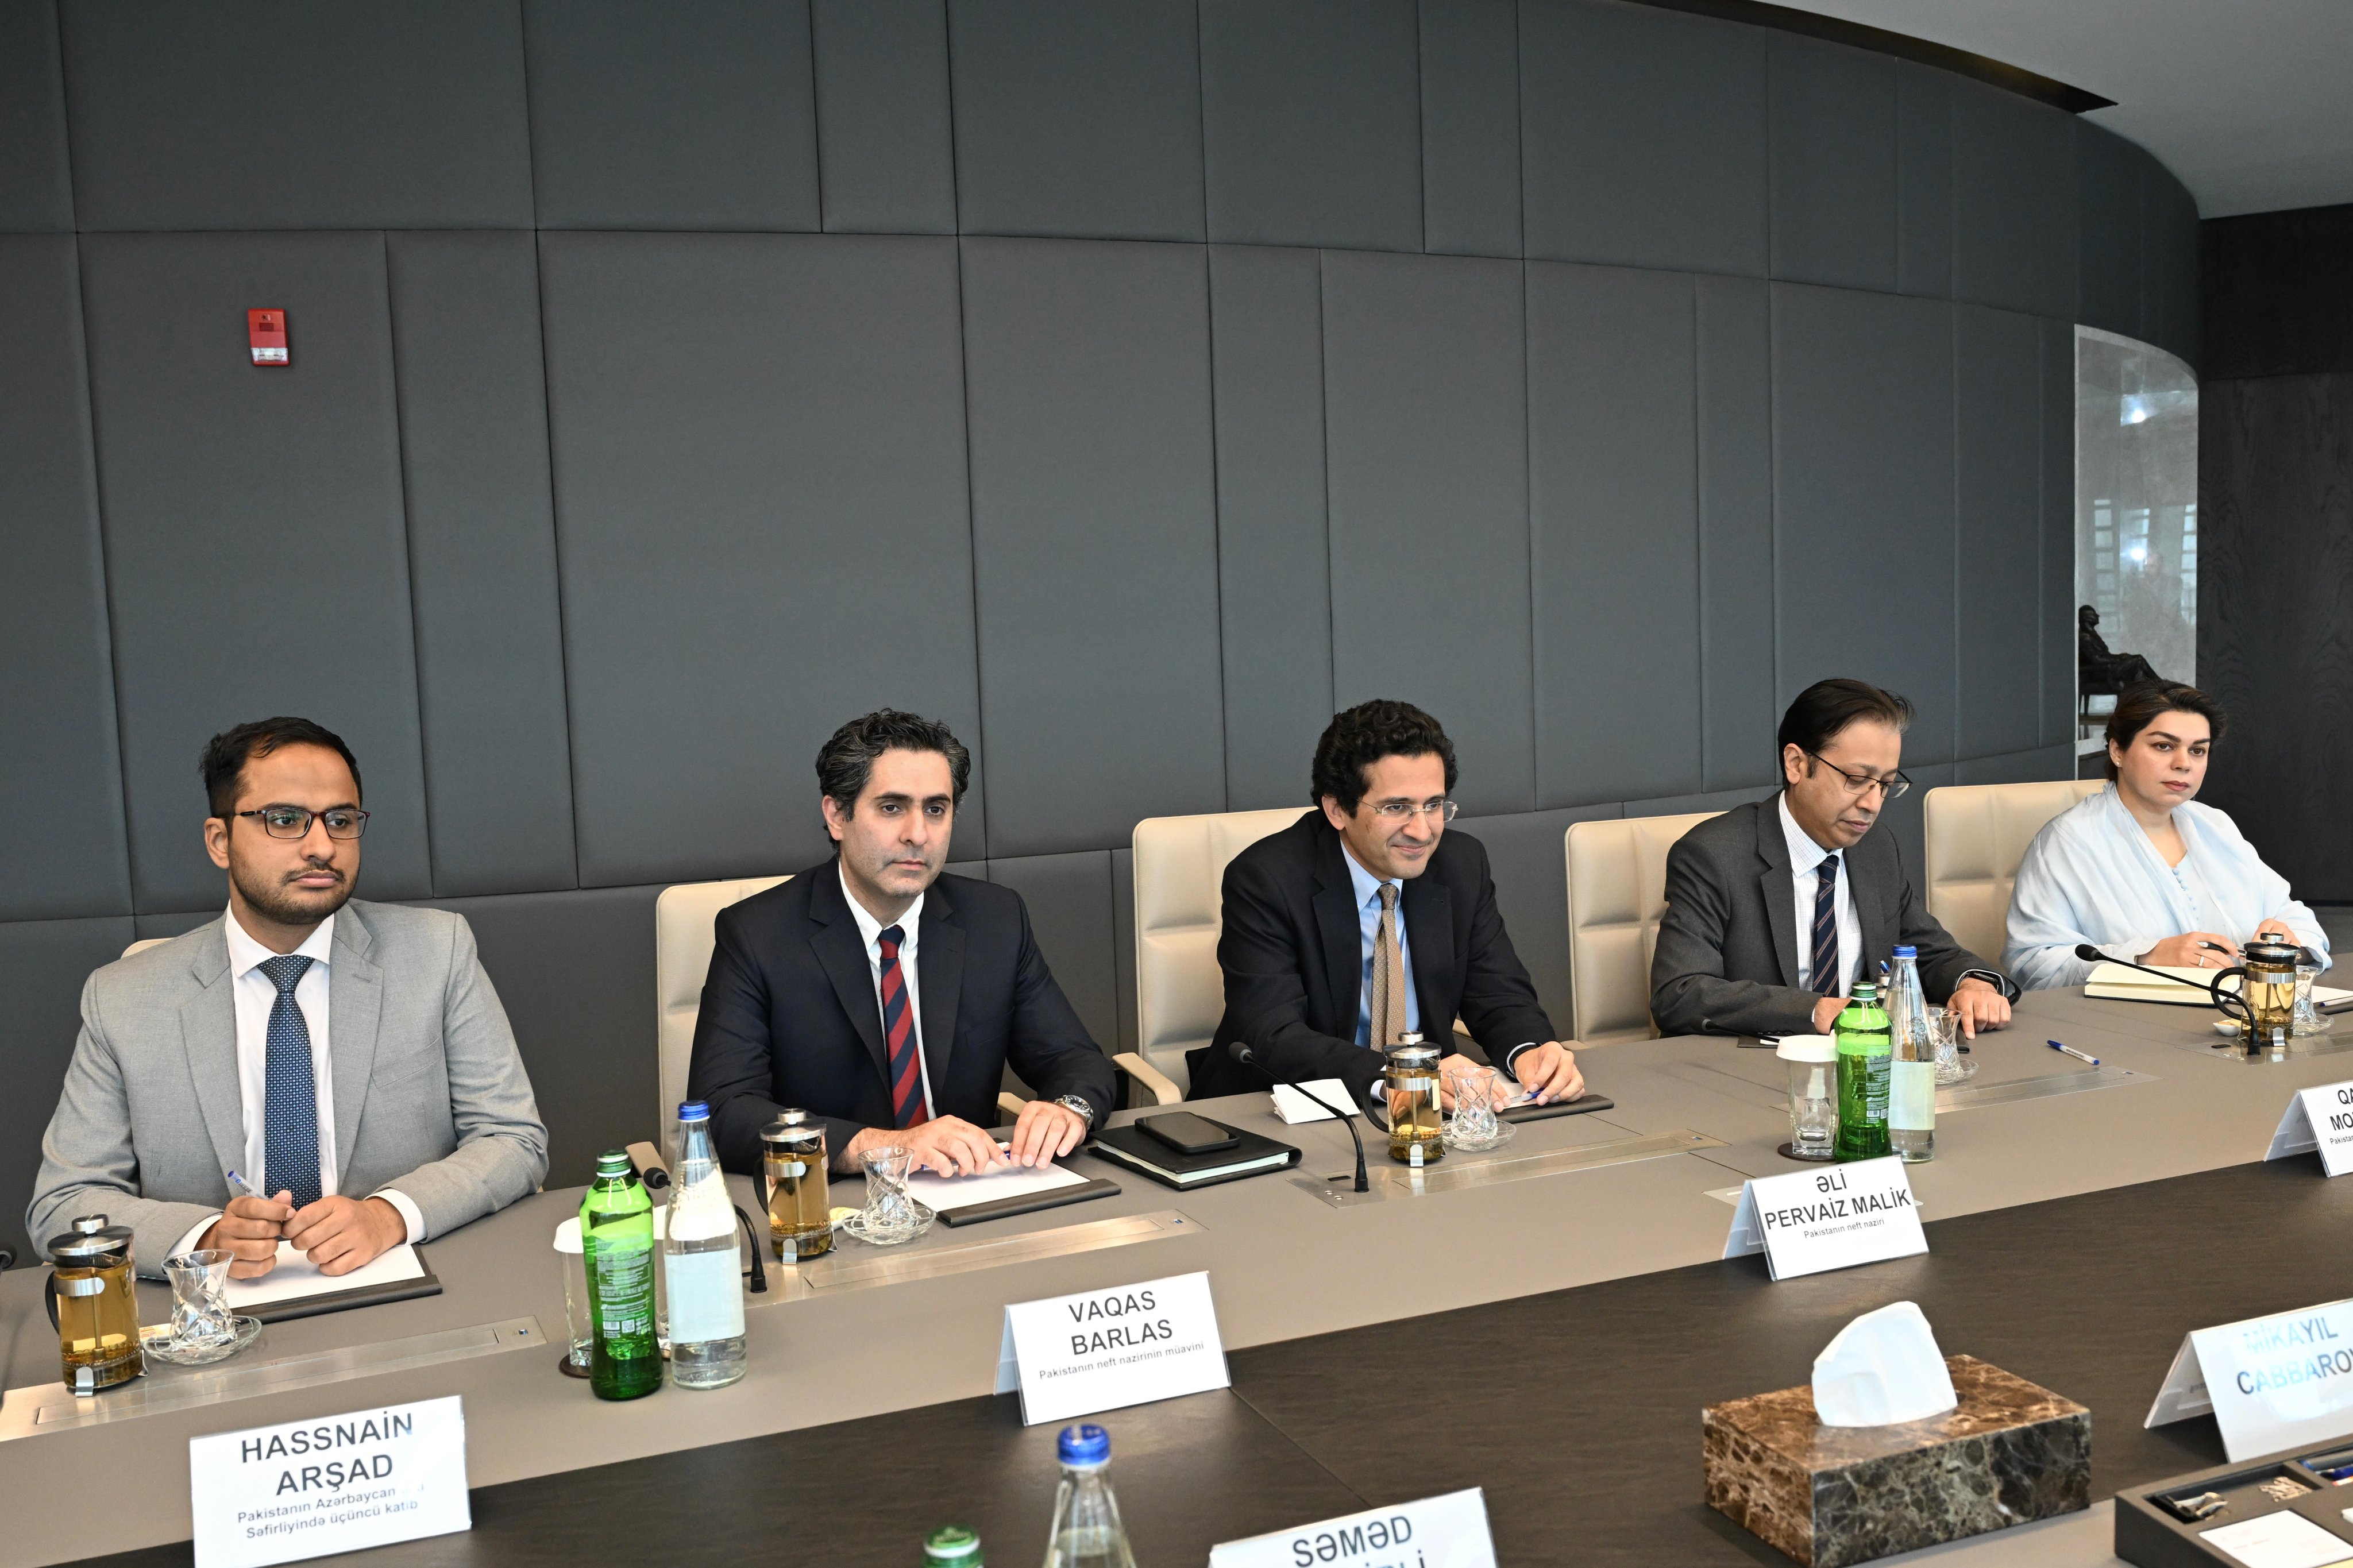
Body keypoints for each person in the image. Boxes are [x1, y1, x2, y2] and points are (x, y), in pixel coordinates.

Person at [27, 719, 547, 1279]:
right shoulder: (122, 999)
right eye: (285, 820)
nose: (322, 846)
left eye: (340, 821)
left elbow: (512, 1138)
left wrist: (387, 1216)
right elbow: (65, 1202)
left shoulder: (437, 952)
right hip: (218, 1309)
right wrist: (205, 1238)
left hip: (399, 1282)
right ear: (220, 841)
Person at [689, 710, 1116, 1180]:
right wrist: (881, 1148)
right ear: (837, 816)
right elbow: (725, 1111)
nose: (918, 834)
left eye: (936, 809)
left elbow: (1075, 1060)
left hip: (965, 1192)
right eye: (892, 808)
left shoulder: (995, 920)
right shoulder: (757, 935)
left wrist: (1069, 1109)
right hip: (836, 1201)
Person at [1189, 700, 1585, 1109]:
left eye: (1434, 805)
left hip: (1428, 1114)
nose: (1422, 831)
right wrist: (1401, 1076)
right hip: (1283, 1107)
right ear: (1337, 809)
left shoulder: (1461, 866)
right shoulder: (1267, 879)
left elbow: (1499, 995)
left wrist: (1529, 1052)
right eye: (1397, 808)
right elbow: (1273, 1034)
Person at [1650, 679, 2018, 1040]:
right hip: (1748, 1066)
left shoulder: (1876, 848)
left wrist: (1974, 984)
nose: (1872, 804)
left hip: (1861, 1064)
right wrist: (1818, 1010)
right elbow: (1680, 992)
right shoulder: (1714, 855)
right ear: (1796, 764)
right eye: (1857, 779)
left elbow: (1926, 951)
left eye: (1885, 784)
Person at [2005, 681, 2330, 990]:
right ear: (2118, 751)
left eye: (2198, 750)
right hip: (2130, 1022)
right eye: (2164, 746)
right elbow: (2033, 965)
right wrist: (2146, 958)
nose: (2183, 764)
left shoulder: (2215, 826)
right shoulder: (2067, 842)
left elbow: (2294, 917)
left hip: (2241, 1011)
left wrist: (2288, 946)